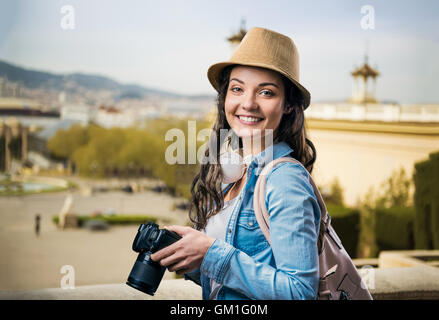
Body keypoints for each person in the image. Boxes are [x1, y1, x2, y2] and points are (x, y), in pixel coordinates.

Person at [151, 27, 321, 300]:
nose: (248, 103)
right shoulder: (233, 170)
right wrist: (188, 255)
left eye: (266, 92)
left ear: (288, 105)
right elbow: (239, 280)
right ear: (225, 97)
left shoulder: (284, 179)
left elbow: (300, 293)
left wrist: (211, 253)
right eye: (237, 89)